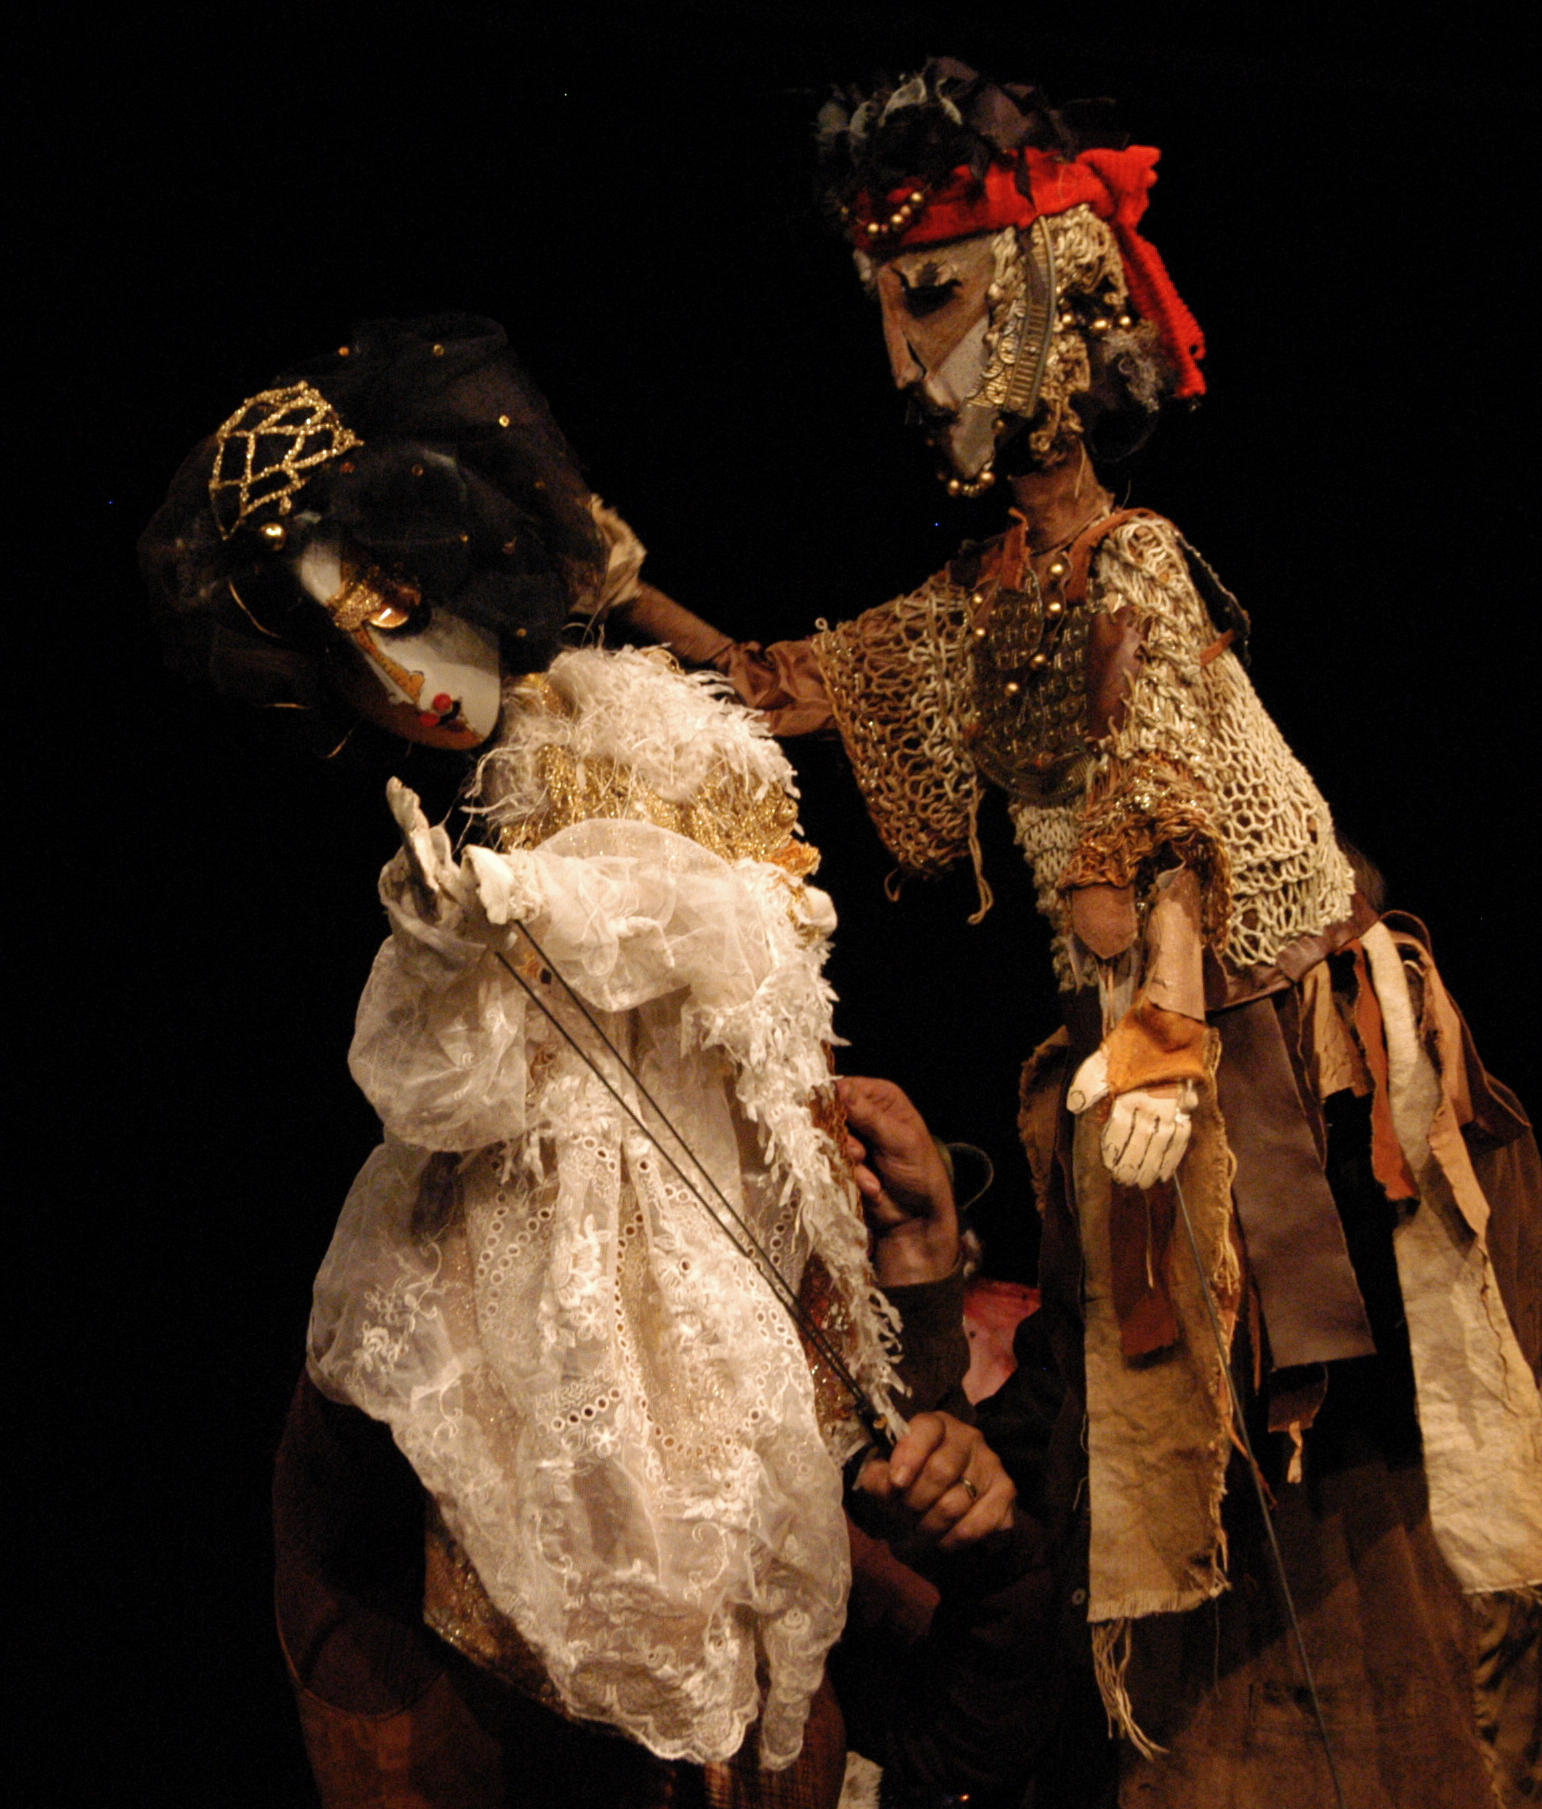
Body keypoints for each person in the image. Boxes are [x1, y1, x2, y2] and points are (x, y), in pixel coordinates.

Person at [609, 62, 1542, 1808]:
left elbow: (1168, 812)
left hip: (1279, 1067)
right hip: (1143, 1074)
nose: (909, 361)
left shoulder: (1135, 562)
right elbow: (786, 683)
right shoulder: (982, 605)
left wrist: (1170, 1030)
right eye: (891, 312)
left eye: (937, 300)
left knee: (1350, 1487)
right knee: (1187, 1497)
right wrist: (621, 586)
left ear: (1053, 293)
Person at [142, 314, 1027, 1808]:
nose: (406, 676)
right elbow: (443, 1082)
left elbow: (720, 924)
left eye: (402, 603)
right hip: (550, 1219)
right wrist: (466, 938)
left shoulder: (631, 728)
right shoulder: (474, 859)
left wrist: (544, 906)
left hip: (714, 1196)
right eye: (352, 648)